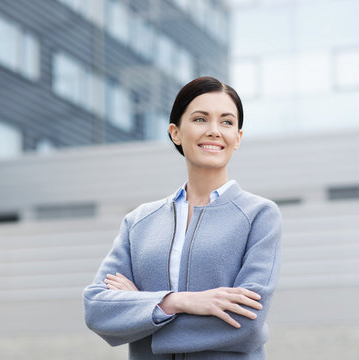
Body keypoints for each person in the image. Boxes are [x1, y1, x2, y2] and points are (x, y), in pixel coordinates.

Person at [83, 76, 282, 359]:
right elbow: (98, 310)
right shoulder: (139, 222)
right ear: (175, 133)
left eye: (226, 122)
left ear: (237, 138)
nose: (214, 131)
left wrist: (142, 309)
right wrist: (180, 301)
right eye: (201, 119)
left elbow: (246, 323)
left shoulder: (259, 216)